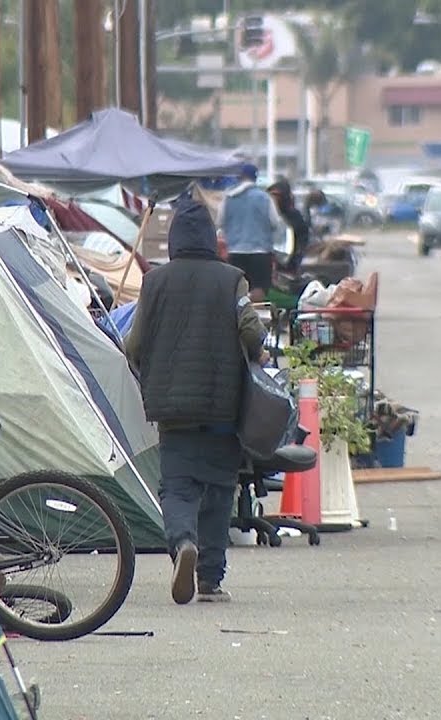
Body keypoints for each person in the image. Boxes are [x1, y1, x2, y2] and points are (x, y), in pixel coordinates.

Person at [124, 194, 268, 605]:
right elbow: (251, 332)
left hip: (173, 409)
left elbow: (134, 344)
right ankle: (209, 577)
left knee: (178, 488)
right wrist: (261, 352)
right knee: (220, 491)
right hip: (222, 408)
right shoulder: (231, 279)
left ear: (173, 240)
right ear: (211, 238)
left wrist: (146, 372)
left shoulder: (154, 282)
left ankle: (183, 542)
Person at [218, 163, 282, 303]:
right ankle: (256, 318)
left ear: (240, 177)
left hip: (235, 252)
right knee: (258, 288)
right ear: (255, 178)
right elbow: (275, 222)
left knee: (237, 290)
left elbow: (220, 222)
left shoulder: (228, 198)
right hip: (260, 252)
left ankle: (239, 318)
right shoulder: (265, 198)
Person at [266, 179, 317, 270]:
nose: (274, 199)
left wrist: (296, 255)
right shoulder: (265, 214)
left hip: (288, 261)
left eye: (277, 196)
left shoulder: (294, 216)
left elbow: (302, 237)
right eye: (272, 196)